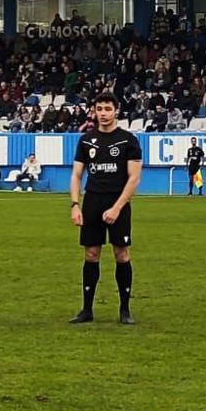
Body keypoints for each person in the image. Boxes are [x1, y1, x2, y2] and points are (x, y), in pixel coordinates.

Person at [69, 93, 142, 324]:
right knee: (91, 254)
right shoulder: (86, 140)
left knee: (121, 254)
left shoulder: (128, 140)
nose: (103, 113)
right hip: (92, 201)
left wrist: (117, 208)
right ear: (94, 110)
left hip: (117, 202)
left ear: (116, 111)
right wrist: (75, 205)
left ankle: (125, 310)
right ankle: (87, 310)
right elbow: (77, 174)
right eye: (99, 108)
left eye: (107, 108)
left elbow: (134, 178)